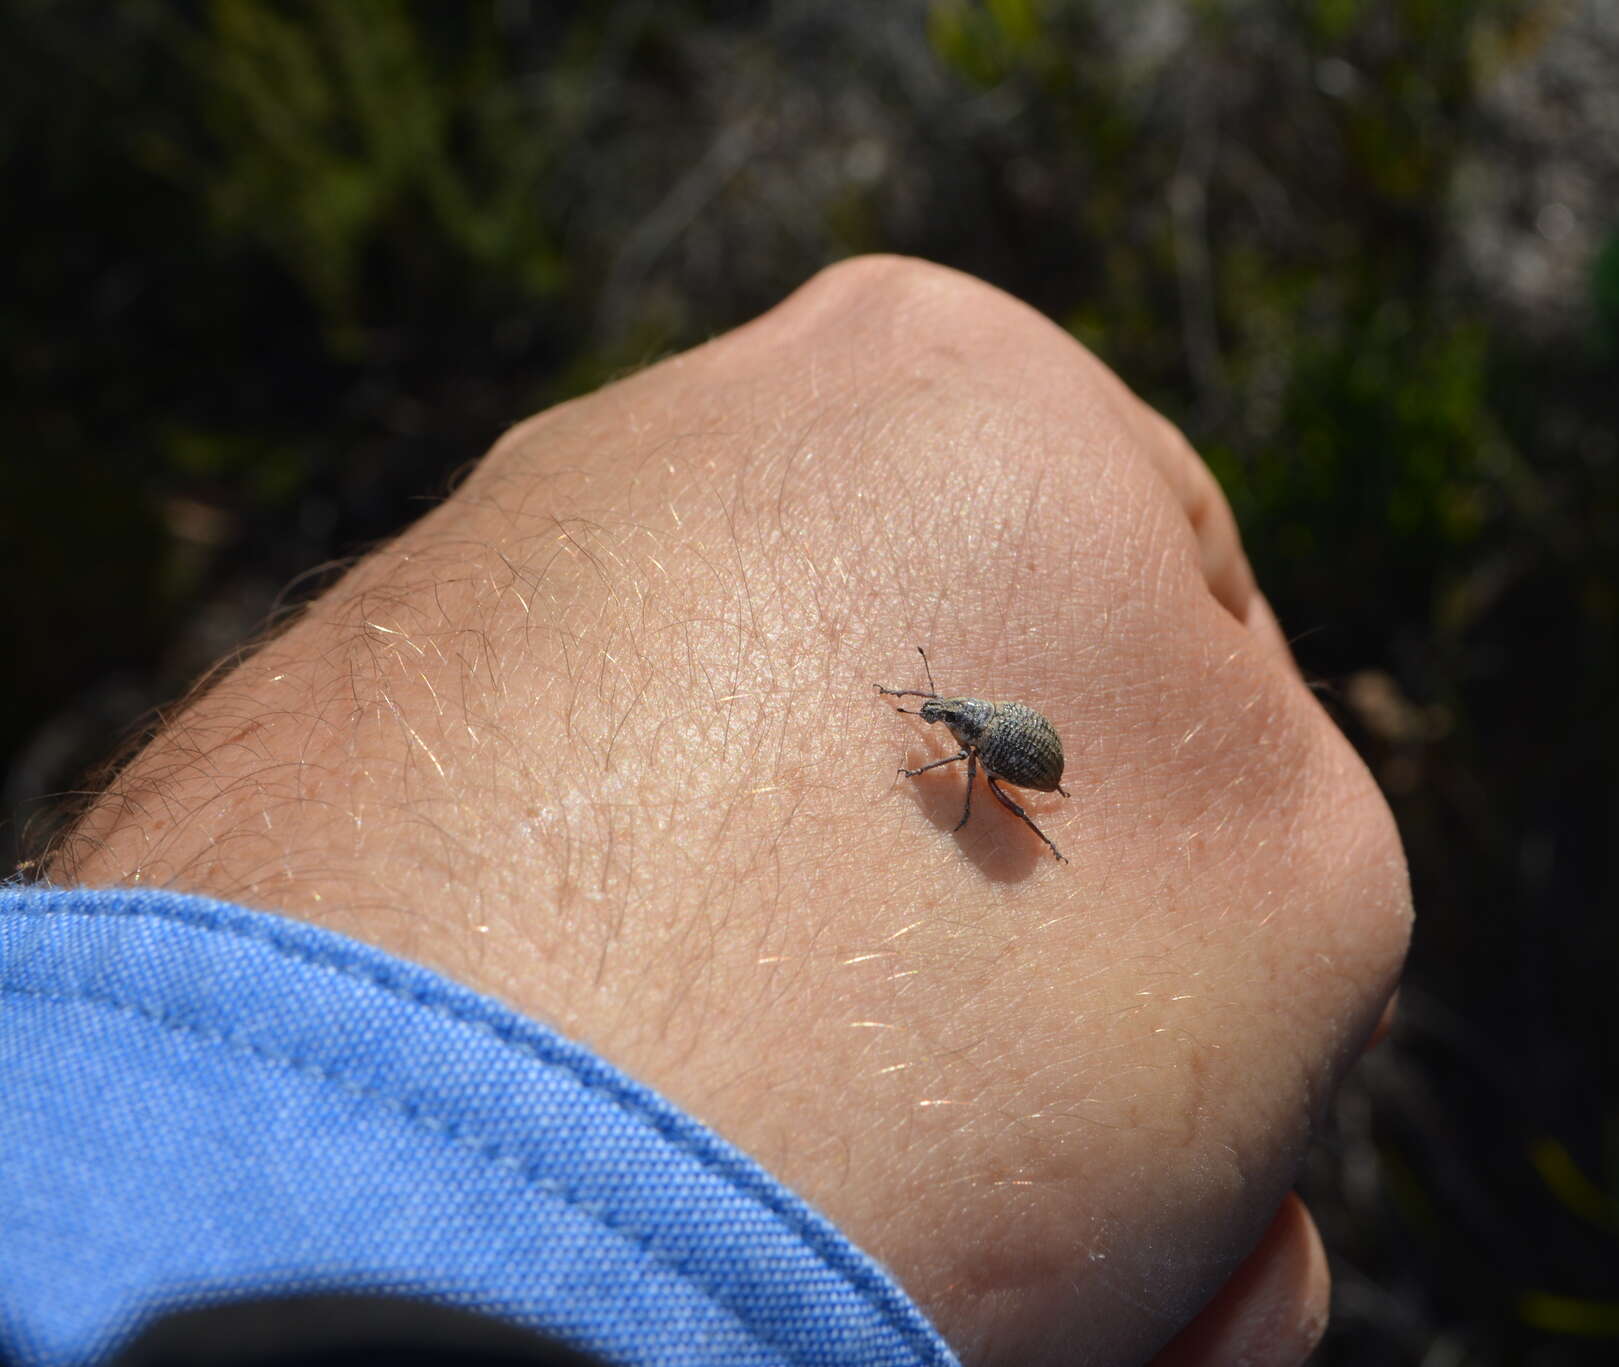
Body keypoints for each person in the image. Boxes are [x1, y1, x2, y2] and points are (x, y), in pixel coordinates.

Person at [4, 257, 1409, 1366]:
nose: (948, 738)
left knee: (1005, 797)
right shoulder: (963, 732)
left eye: (950, 729)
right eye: (948, 731)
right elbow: (958, 733)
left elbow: (1003, 762)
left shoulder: (996, 755)